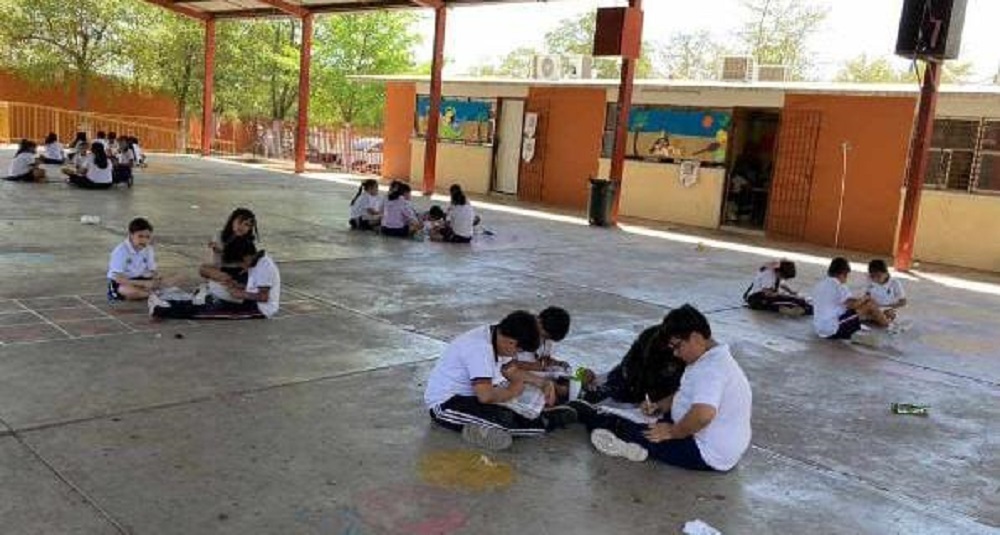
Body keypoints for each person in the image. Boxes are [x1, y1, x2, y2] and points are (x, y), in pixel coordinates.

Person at [576, 305, 752, 472]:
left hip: (703, 451)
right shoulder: (710, 359)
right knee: (644, 420)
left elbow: (703, 414)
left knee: (613, 422)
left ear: (696, 337)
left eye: (677, 346)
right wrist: (660, 406)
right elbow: (684, 393)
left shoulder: (711, 369)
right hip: (717, 445)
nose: (675, 354)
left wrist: (673, 432)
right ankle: (638, 441)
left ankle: (590, 416)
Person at [424, 310, 577, 451]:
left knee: (519, 401)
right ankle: (545, 422)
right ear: (511, 342)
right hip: (447, 405)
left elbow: (510, 370)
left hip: (474, 396)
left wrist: (542, 383)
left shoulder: (497, 334)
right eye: (519, 350)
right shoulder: (480, 348)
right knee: (507, 422)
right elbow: (486, 396)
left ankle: (484, 427)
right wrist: (512, 392)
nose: (517, 354)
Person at [150, 238, 280, 320]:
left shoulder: (265, 267)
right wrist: (237, 286)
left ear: (247, 257)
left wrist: (239, 293)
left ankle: (161, 309)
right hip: (249, 300)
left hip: (261, 309)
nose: (241, 266)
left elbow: (264, 297)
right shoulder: (255, 261)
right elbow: (255, 287)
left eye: (240, 262)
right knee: (212, 301)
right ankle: (167, 301)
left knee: (210, 311)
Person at [812, 257, 888, 339]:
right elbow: (853, 305)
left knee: (865, 308)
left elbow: (847, 302)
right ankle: (887, 324)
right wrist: (866, 298)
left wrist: (863, 300)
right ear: (844, 273)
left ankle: (882, 317)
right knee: (869, 304)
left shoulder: (820, 284)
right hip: (832, 329)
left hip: (819, 327)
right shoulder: (838, 286)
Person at [199, 208, 259, 301]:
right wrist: (214, 251)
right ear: (232, 221)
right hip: (223, 275)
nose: (242, 227)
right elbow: (215, 263)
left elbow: (250, 268)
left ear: (250, 228)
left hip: (237, 280)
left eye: (247, 225)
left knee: (209, 271)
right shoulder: (220, 235)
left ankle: (228, 288)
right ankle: (218, 287)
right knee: (204, 268)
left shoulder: (247, 243)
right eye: (240, 222)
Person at [107, 218, 161, 301]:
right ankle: (151, 294)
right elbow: (118, 278)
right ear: (131, 235)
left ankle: (148, 293)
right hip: (122, 282)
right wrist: (143, 284)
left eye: (147, 237)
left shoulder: (148, 249)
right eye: (140, 236)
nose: (144, 240)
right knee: (126, 290)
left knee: (176, 278)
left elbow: (152, 270)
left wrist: (156, 279)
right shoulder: (121, 251)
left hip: (141, 279)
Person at [743, 260, 813, 316]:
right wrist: (783, 295)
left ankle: (806, 307)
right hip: (758, 299)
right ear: (780, 273)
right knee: (792, 302)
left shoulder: (776, 270)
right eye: (785, 277)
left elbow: (781, 284)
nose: (785, 279)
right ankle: (807, 310)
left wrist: (791, 292)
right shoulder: (769, 275)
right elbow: (767, 293)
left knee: (796, 300)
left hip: (764, 297)